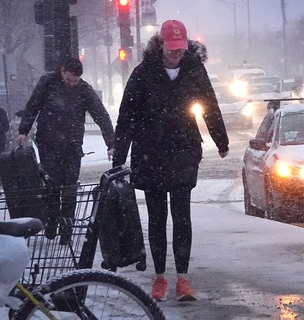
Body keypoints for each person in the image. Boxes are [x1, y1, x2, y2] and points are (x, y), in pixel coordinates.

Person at [112, 19, 229, 302]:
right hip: (149, 152)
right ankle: (160, 277)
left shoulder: (194, 70)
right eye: (171, 47)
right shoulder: (143, 73)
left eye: (180, 48)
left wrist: (221, 141)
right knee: (156, 218)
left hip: (183, 150)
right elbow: (126, 116)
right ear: (160, 44)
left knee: (182, 216)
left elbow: (210, 105)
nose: (176, 53)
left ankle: (183, 278)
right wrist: (119, 155)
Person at [16, 58, 115, 244]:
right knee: (52, 185)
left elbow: (101, 115)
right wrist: (23, 130)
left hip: (72, 145)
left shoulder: (84, 90)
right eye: (69, 80)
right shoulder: (47, 83)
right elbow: (33, 106)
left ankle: (66, 232)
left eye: (75, 81)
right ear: (62, 72)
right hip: (48, 143)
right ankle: (52, 222)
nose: (71, 84)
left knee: (70, 189)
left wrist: (111, 143)